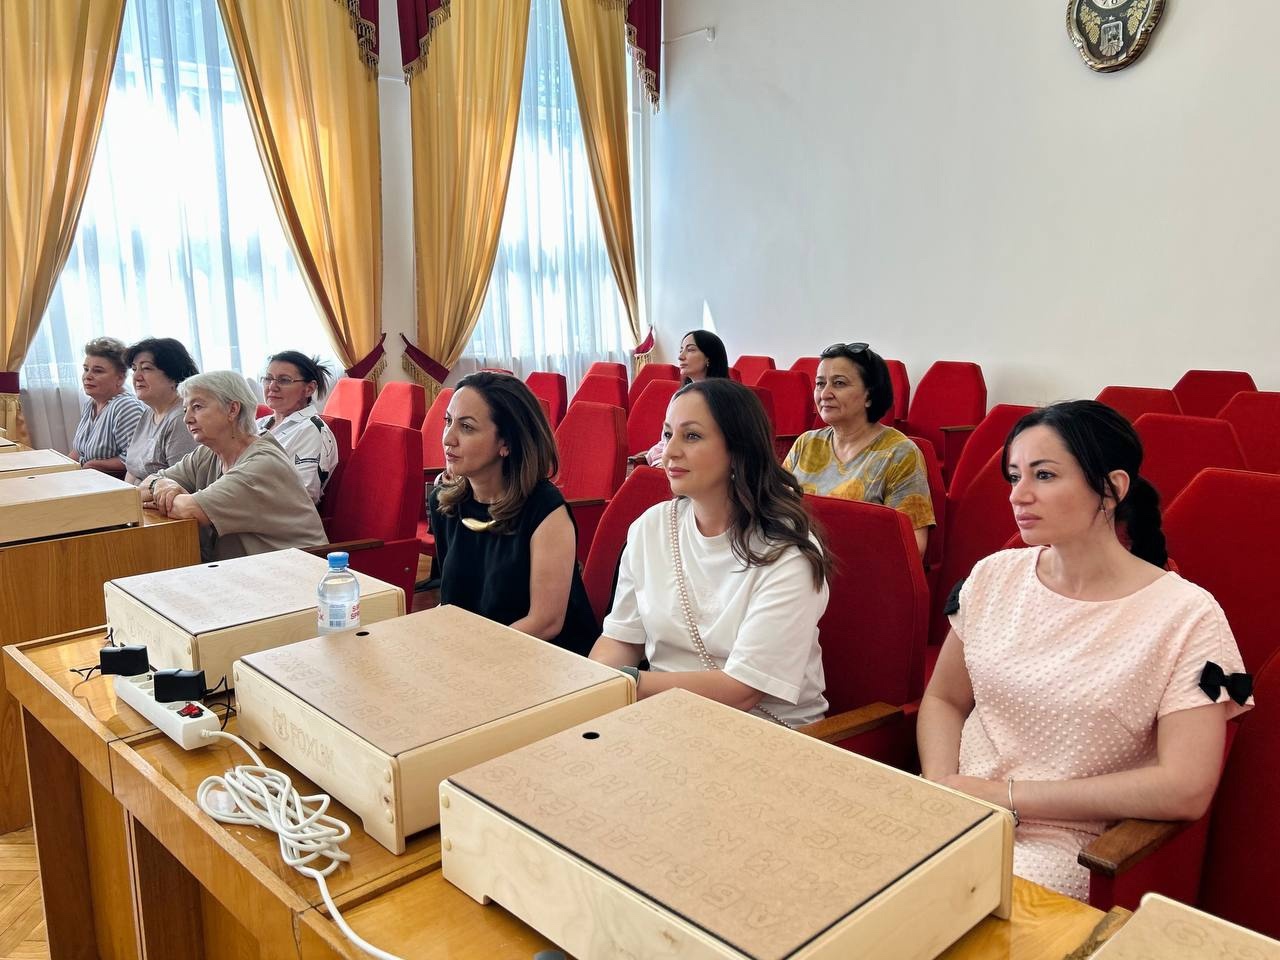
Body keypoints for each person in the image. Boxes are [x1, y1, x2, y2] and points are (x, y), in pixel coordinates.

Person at [916, 400, 1253, 900]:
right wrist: (943, 785)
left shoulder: (1188, 615)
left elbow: (1186, 787)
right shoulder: (992, 576)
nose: (1018, 495)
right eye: (1014, 476)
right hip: (957, 806)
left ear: (1112, 488)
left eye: (1044, 475)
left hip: (1068, 842)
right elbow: (944, 698)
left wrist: (1004, 796)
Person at [591, 379, 831, 727]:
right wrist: (593, 684)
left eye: (691, 436)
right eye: (668, 434)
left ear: (738, 450)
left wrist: (621, 684)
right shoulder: (650, 527)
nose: (669, 451)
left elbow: (741, 690)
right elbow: (621, 638)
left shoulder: (787, 552)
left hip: (764, 729)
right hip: (660, 712)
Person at [428, 372, 599, 656]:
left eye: (467, 427)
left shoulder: (545, 509)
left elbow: (546, 623)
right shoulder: (444, 503)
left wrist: (472, 653)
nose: (448, 438)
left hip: (548, 659)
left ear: (506, 442)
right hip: (477, 652)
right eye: (448, 421)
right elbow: (453, 602)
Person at [141, 370, 328, 562]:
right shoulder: (207, 453)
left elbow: (189, 510)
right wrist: (161, 484)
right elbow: (142, 489)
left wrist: (172, 494)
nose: (187, 419)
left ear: (232, 410)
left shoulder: (261, 465)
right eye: (185, 410)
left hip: (295, 570)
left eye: (197, 407)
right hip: (247, 569)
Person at [782, 342, 934, 555]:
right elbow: (776, 507)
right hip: (798, 559)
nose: (825, 393)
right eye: (820, 383)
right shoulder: (806, 443)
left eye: (839, 383)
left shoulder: (899, 453)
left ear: (869, 396)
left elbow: (913, 545)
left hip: (858, 567)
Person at [255, 351, 339, 503]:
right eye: (268, 378)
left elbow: (303, 496)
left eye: (284, 380)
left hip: (275, 514)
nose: (272, 386)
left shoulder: (311, 431)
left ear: (309, 389)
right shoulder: (259, 423)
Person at [645, 330, 730, 466]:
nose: (680, 357)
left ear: (709, 358)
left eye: (690, 350)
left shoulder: (725, 399)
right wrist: (661, 462)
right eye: (681, 350)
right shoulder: (679, 397)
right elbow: (665, 442)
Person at [121, 338, 200, 484]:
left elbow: (181, 484)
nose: (136, 377)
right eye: (134, 369)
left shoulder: (181, 419)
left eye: (146, 368)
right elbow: (132, 469)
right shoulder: (148, 413)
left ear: (173, 376)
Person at [70, 336, 146, 475]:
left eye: (98, 371)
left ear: (120, 378)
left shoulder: (126, 407)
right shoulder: (91, 404)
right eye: (86, 369)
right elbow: (77, 452)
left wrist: (93, 465)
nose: (87, 376)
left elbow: (138, 459)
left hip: (114, 484)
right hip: (87, 479)